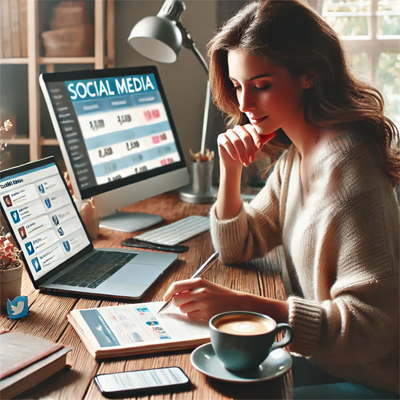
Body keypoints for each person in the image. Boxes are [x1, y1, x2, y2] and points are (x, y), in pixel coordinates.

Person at [162, 0, 400, 398]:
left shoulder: (352, 173)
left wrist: (245, 305)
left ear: (309, 75)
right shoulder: (297, 156)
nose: (245, 105)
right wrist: (231, 169)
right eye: (238, 86)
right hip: (322, 362)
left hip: (371, 380)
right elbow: (238, 245)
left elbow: (372, 326)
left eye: (262, 85)